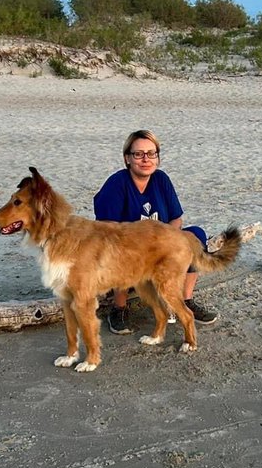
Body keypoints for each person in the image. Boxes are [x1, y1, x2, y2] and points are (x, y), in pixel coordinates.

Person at [93, 129, 219, 334]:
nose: (146, 159)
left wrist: (167, 243)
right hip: (124, 246)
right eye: (138, 154)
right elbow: (106, 229)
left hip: (160, 245)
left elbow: (176, 218)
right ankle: (119, 308)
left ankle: (186, 300)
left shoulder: (161, 179)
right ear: (127, 158)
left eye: (151, 153)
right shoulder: (117, 183)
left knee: (195, 235)